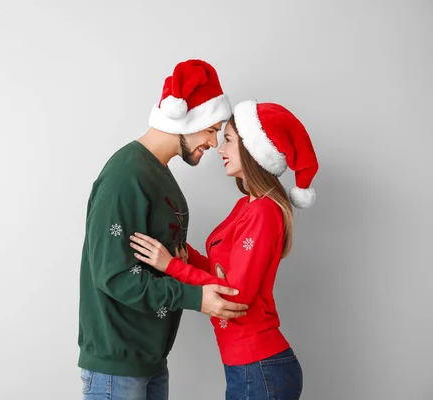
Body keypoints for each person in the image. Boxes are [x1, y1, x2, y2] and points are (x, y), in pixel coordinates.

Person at [77, 60, 249, 400]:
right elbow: (113, 275)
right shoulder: (125, 176)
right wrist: (196, 298)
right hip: (117, 365)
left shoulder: (158, 173)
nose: (214, 143)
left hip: (151, 359)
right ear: (186, 120)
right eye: (211, 130)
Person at [130, 100, 319, 400]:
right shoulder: (247, 205)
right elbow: (227, 272)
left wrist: (172, 267)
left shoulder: (264, 212)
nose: (219, 148)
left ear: (254, 150)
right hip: (250, 366)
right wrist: (185, 256)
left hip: (258, 367)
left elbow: (237, 296)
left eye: (228, 139)